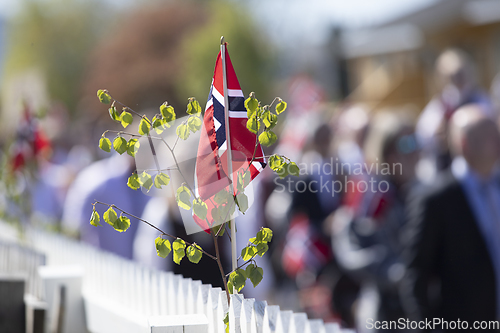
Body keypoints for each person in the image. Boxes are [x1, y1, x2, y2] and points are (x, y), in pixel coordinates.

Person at [402, 104, 500, 330]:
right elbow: (416, 273)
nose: (496, 141)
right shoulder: (436, 199)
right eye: (487, 136)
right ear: (464, 144)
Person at [332, 112, 420, 332]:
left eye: (418, 141)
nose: (417, 151)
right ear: (388, 152)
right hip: (385, 310)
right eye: (408, 144)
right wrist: (398, 272)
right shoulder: (370, 194)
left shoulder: (420, 190)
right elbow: (351, 249)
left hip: (420, 307)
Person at [415, 49, 493, 183]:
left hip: (485, 169)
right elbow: (424, 138)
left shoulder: (481, 100)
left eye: (462, 74)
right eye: (454, 76)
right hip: (450, 173)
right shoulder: (438, 109)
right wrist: (440, 137)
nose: (460, 81)